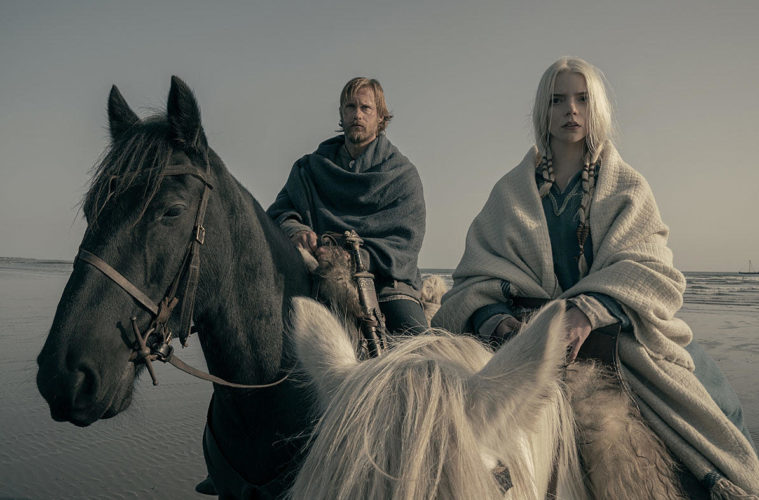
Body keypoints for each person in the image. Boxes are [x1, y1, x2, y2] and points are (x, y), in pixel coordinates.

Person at [432, 57, 759, 496]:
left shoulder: (627, 186)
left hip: (612, 333)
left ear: (596, 107)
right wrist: (500, 322)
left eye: (582, 99)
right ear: (543, 111)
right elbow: (475, 278)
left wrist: (588, 310)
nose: (571, 109)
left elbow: (651, 267)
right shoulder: (509, 193)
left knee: (715, 403)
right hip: (523, 340)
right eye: (558, 99)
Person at [267, 77, 427, 334]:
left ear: (381, 117)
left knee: (419, 346)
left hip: (385, 283)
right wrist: (295, 230)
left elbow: (405, 243)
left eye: (366, 108)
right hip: (317, 275)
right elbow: (281, 211)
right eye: (350, 107)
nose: (357, 115)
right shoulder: (310, 168)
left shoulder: (402, 175)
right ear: (341, 114)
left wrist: (356, 258)